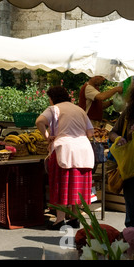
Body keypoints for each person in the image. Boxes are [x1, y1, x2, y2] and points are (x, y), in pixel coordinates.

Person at [36, 86, 95, 230]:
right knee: (77, 187)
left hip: (64, 149)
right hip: (84, 150)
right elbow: (91, 132)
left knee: (61, 185)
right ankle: (75, 218)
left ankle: (60, 220)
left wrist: (47, 136)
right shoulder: (80, 110)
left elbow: (39, 121)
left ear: (52, 98)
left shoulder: (54, 109)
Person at [108, 77, 134, 232]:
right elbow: (112, 132)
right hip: (130, 170)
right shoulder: (129, 113)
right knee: (132, 209)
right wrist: (119, 139)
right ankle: (133, 245)